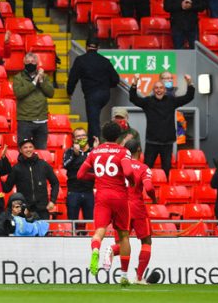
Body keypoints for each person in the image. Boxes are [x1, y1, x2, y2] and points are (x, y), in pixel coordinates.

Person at [77, 121, 135, 284]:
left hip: (102, 196)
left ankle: (96, 249)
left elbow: (81, 174)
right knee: (124, 236)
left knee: (99, 231)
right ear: (119, 136)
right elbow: (129, 171)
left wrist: (96, 176)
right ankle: (123, 276)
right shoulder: (123, 151)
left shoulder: (95, 152)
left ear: (104, 135)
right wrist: (131, 181)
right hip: (119, 197)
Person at [102, 138, 156, 284]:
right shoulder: (144, 168)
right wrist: (154, 198)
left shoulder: (118, 166)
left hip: (120, 208)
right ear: (139, 150)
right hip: (137, 209)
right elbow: (149, 187)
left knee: (122, 243)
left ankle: (112, 249)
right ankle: (139, 277)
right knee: (146, 241)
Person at [129, 74, 194, 177]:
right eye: (156, 88)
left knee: (167, 171)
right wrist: (134, 83)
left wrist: (190, 83)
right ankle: (144, 189)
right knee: (146, 169)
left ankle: (166, 191)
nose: (159, 90)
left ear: (164, 90)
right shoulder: (148, 102)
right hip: (152, 142)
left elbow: (188, 97)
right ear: (153, 90)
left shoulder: (171, 100)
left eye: (161, 88)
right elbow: (133, 98)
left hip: (167, 143)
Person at [67, 38, 120, 140]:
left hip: (92, 95)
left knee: (93, 122)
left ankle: (95, 146)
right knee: (93, 119)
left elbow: (73, 78)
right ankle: (93, 143)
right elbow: (115, 79)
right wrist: (106, 86)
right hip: (105, 95)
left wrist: (69, 92)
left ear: (86, 46)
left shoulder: (80, 60)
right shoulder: (105, 61)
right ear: (98, 47)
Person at [3, 137, 59, 219]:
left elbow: (55, 183)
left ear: (34, 148)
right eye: (25, 147)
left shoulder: (43, 165)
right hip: (24, 210)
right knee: (26, 232)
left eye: (30, 147)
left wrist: (52, 201)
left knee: (42, 232)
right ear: (20, 150)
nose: (28, 149)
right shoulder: (16, 168)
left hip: (42, 209)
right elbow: (7, 188)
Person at [13, 53, 55, 150]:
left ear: (37, 63)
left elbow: (50, 93)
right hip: (25, 120)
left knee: (41, 151)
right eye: (27, 62)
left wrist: (41, 81)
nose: (30, 64)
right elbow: (19, 93)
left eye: (32, 62)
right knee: (24, 150)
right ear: (24, 63)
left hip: (41, 120)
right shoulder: (18, 78)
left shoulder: (44, 77)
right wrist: (34, 81)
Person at [62, 128, 95, 221]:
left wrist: (96, 150)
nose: (81, 138)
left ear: (87, 137)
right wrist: (74, 155)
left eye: (83, 136)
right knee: (72, 222)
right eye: (78, 136)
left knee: (90, 222)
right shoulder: (69, 151)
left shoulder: (93, 152)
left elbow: (95, 168)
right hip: (73, 192)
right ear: (73, 139)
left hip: (89, 192)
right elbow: (65, 165)